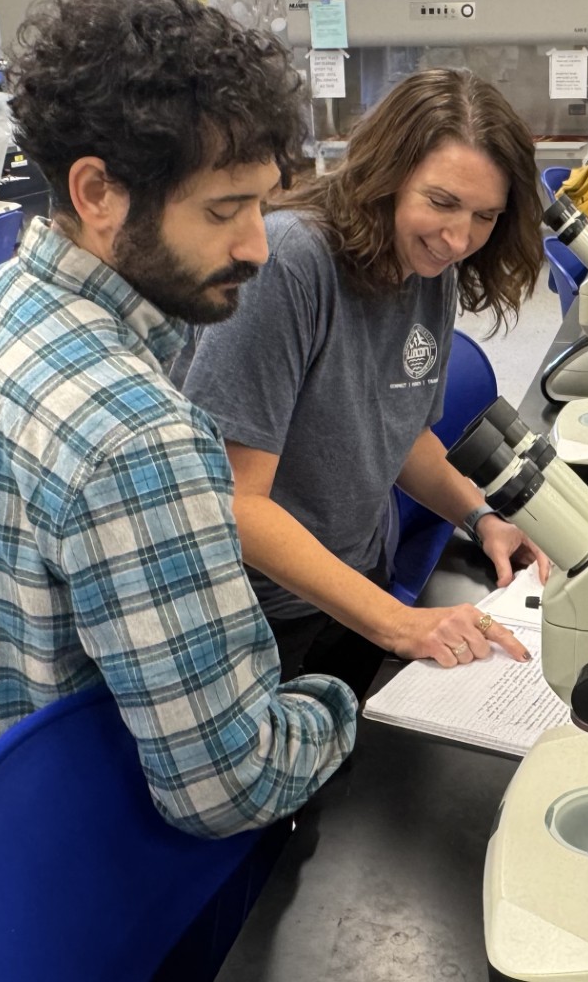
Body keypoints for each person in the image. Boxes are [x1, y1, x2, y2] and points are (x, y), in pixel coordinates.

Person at [0, 0, 356, 837]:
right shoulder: (139, 436)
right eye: (224, 210)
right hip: (110, 857)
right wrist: (343, 700)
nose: (256, 246)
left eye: (263, 205)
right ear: (98, 195)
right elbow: (227, 788)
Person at [175, 68, 548, 697]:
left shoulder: (433, 263)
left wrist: (482, 515)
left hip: (355, 585)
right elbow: (234, 502)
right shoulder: (292, 263)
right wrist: (400, 625)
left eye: (485, 216)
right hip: (257, 614)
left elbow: (397, 434)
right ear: (387, 175)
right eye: (442, 202)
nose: (459, 238)